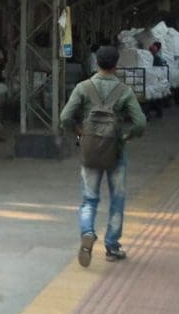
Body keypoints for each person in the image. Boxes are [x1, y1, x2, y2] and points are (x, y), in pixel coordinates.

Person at [60, 46, 147, 267]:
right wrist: (127, 137)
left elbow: (65, 117)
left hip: (90, 151)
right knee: (117, 199)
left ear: (96, 63)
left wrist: (80, 132)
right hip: (116, 152)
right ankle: (112, 246)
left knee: (89, 199)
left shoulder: (83, 87)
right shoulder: (124, 90)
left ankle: (87, 233)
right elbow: (140, 122)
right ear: (116, 64)